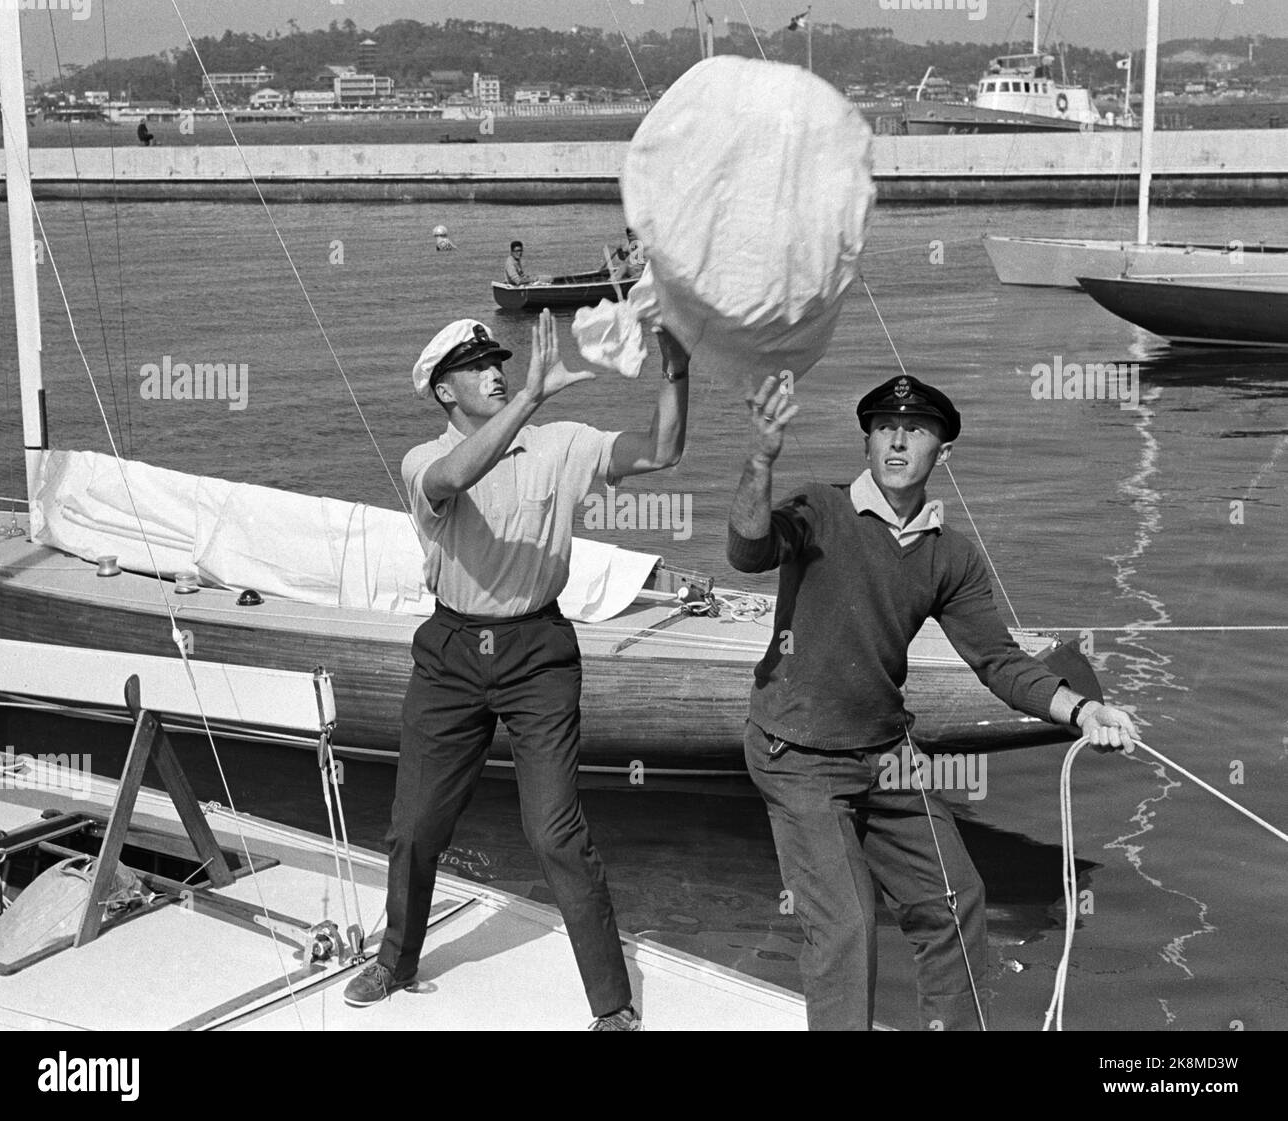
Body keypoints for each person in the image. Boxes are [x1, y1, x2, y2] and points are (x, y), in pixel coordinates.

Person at [726, 372, 1141, 1032]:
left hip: (887, 754)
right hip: (796, 752)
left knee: (957, 900)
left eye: (916, 430)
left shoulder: (952, 556)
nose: (896, 439)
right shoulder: (817, 509)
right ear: (867, 440)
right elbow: (747, 548)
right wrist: (761, 456)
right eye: (884, 428)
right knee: (847, 927)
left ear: (941, 452)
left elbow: (998, 661)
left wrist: (1082, 710)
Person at [345, 310, 691, 1030]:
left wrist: (676, 371)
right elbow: (456, 474)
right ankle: (395, 958)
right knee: (414, 826)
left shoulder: (559, 444)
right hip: (450, 652)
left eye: (499, 361)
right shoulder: (421, 461)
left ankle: (612, 1005)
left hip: (537, 651)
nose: (496, 371)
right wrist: (531, 396)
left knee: (556, 833)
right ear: (444, 391)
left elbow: (660, 451)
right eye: (477, 367)